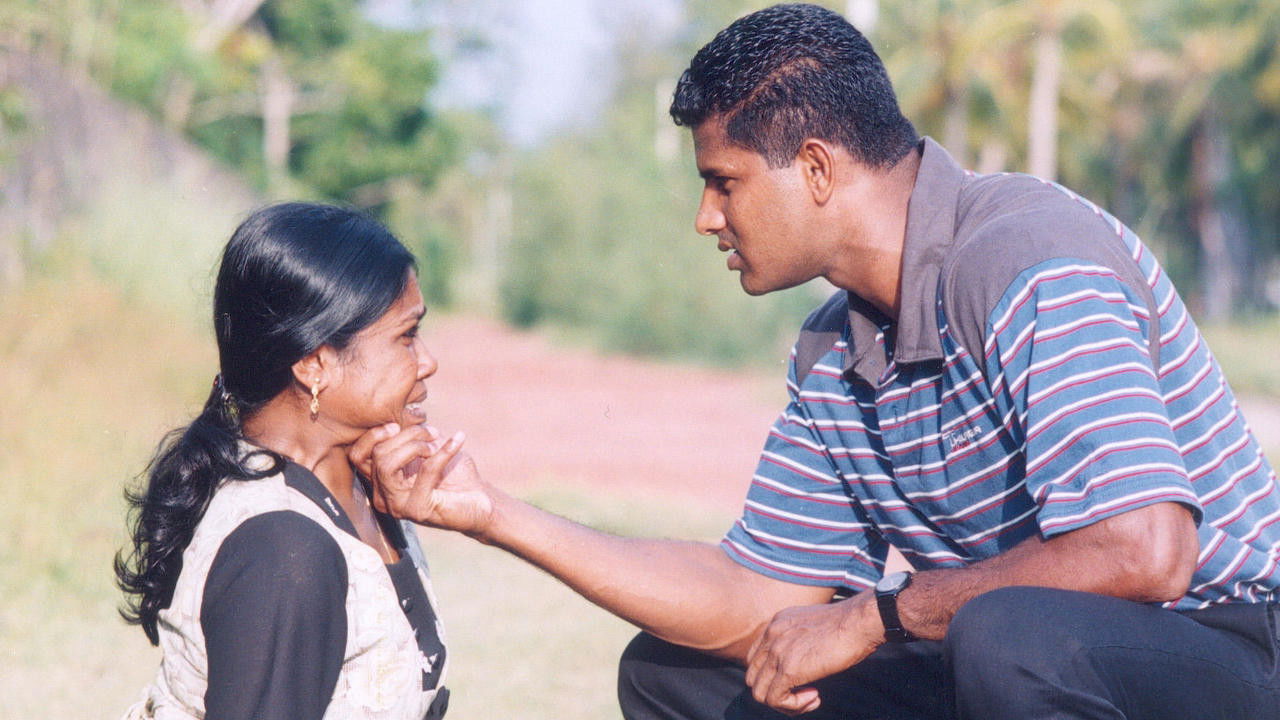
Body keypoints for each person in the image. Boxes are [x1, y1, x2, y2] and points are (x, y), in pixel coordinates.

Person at [358, 4, 1280, 719]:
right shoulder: (834, 351)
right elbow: (752, 596)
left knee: (1009, 639)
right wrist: (491, 516)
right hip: (1005, 654)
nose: (706, 218)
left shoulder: (1031, 256)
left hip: (1216, 642)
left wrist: (881, 616)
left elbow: (1145, 551)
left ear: (816, 168)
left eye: (723, 182)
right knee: (681, 676)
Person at [115, 202, 460, 720]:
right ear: (316, 364)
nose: (427, 360)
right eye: (406, 336)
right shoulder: (284, 549)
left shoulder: (361, 487)